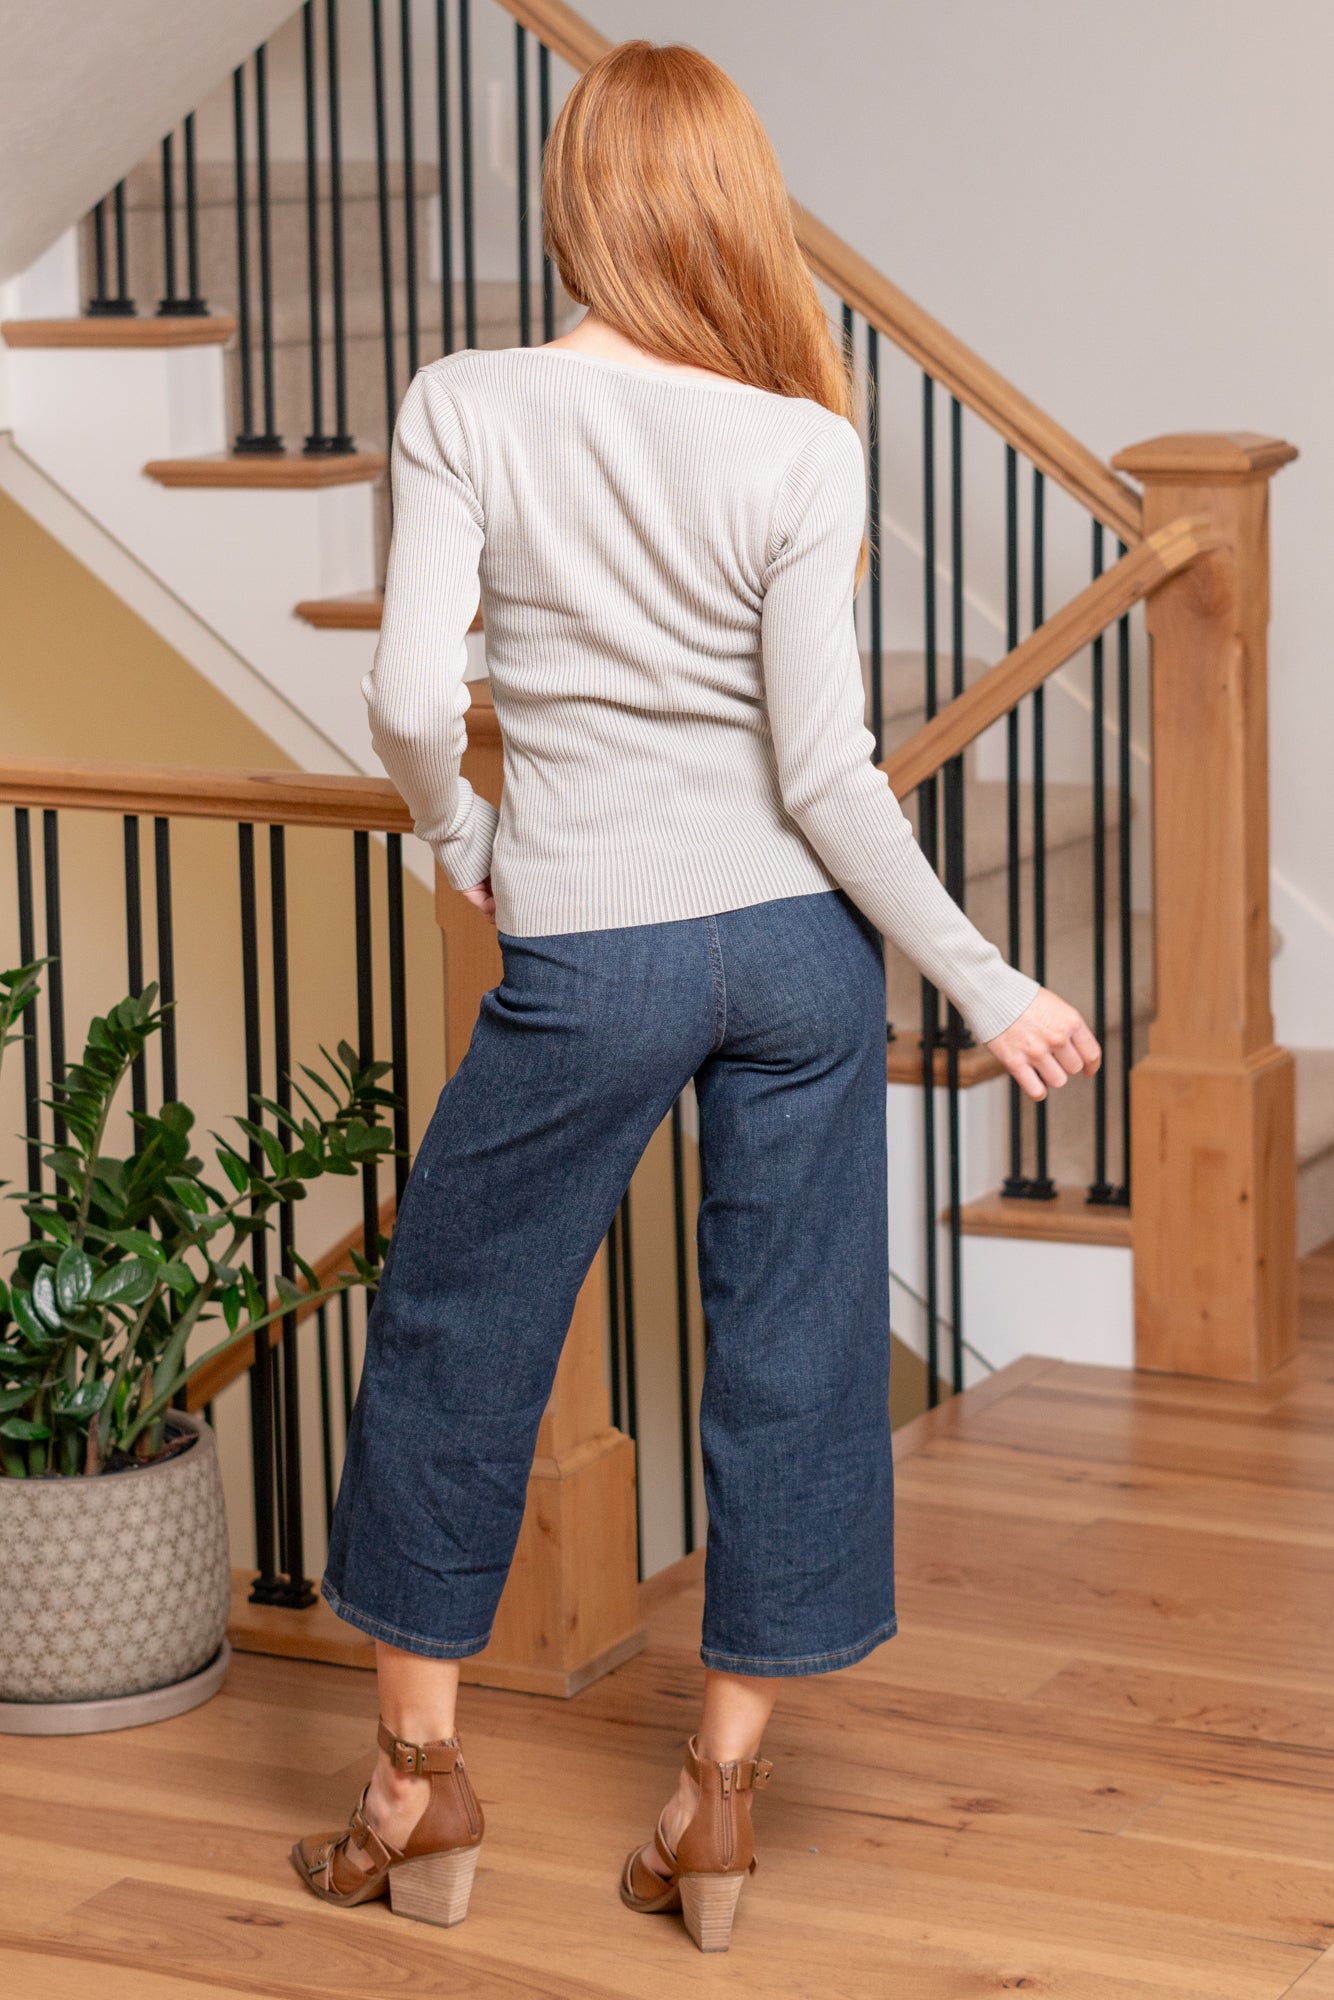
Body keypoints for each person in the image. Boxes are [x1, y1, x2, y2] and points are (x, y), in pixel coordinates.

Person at [291, 38, 1100, 1953]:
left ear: (578, 196)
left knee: (460, 1329)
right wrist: (980, 981)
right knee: (798, 1354)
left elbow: (408, 696)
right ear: (734, 205)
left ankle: (414, 1788)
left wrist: (457, 830)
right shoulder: (802, 441)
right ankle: (715, 1802)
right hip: (803, 953)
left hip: (596, 950)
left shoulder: (469, 401)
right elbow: (826, 774)